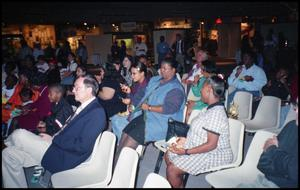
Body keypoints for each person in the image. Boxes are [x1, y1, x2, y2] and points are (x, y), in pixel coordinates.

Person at [2, 74, 107, 187]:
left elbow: (82, 146)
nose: (73, 90)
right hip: (55, 148)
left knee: (19, 134)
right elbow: (64, 129)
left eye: (77, 87)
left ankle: (4, 143)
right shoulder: (84, 108)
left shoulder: (97, 112)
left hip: (62, 155)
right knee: (8, 154)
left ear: (89, 90)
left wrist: (54, 139)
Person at [165, 75, 233, 188]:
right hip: (201, 144)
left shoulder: (216, 113)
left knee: (172, 170)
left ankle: (176, 174)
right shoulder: (209, 108)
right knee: (169, 154)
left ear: (209, 90)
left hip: (215, 153)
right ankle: (178, 181)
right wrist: (185, 140)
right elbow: (201, 132)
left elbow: (211, 145)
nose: (200, 90)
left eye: (202, 88)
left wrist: (186, 151)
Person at [115, 58, 186, 163]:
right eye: (161, 67)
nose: (162, 70)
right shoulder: (155, 80)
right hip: (147, 116)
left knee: (129, 143)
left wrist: (149, 107)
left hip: (162, 121)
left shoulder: (176, 88)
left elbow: (170, 108)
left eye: (165, 68)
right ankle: (115, 165)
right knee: (125, 134)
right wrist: (133, 102)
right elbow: (142, 94)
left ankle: (121, 167)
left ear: (174, 70)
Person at [111, 61, 149, 143]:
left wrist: (129, 99)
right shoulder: (137, 83)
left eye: (134, 73)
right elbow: (133, 98)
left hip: (142, 113)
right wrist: (129, 92)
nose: (131, 76)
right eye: (131, 73)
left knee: (115, 119)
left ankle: (122, 144)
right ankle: (122, 142)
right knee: (114, 115)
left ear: (142, 73)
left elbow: (135, 104)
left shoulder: (145, 86)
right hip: (135, 109)